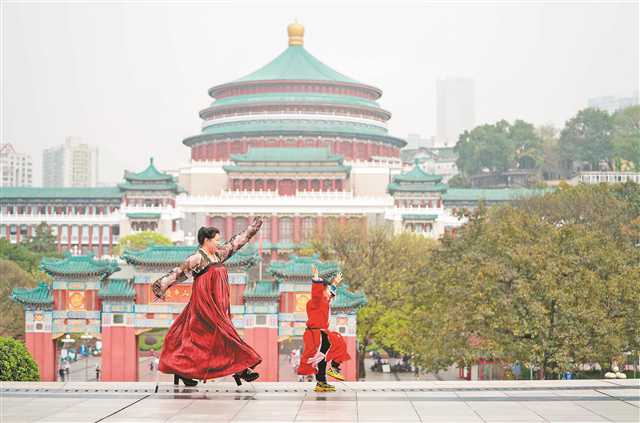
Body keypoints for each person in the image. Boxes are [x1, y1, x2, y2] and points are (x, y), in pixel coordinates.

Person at [152, 217, 263, 387]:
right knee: (219, 336)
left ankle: (185, 371)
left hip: (217, 306)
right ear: (206, 240)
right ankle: (241, 369)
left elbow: (236, 243)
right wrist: (161, 286)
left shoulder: (218, 255)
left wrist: (252, 229)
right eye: (216, 240)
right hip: (203, 305)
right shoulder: (197, 258)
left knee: (206, 340)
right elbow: (178, 273)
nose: (219, 243)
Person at [297, 265, 351, 392]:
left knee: (324, 355)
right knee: (335, 345)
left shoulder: (323, 301)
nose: (328, 292)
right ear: (322, 289)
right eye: (326, 289)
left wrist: (334, 283)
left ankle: (323, 380)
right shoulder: (316, 301)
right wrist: (316, 279)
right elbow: (317, 294)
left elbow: (329, 295)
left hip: (320, 333)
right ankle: (331, 371)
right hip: (317, 334)